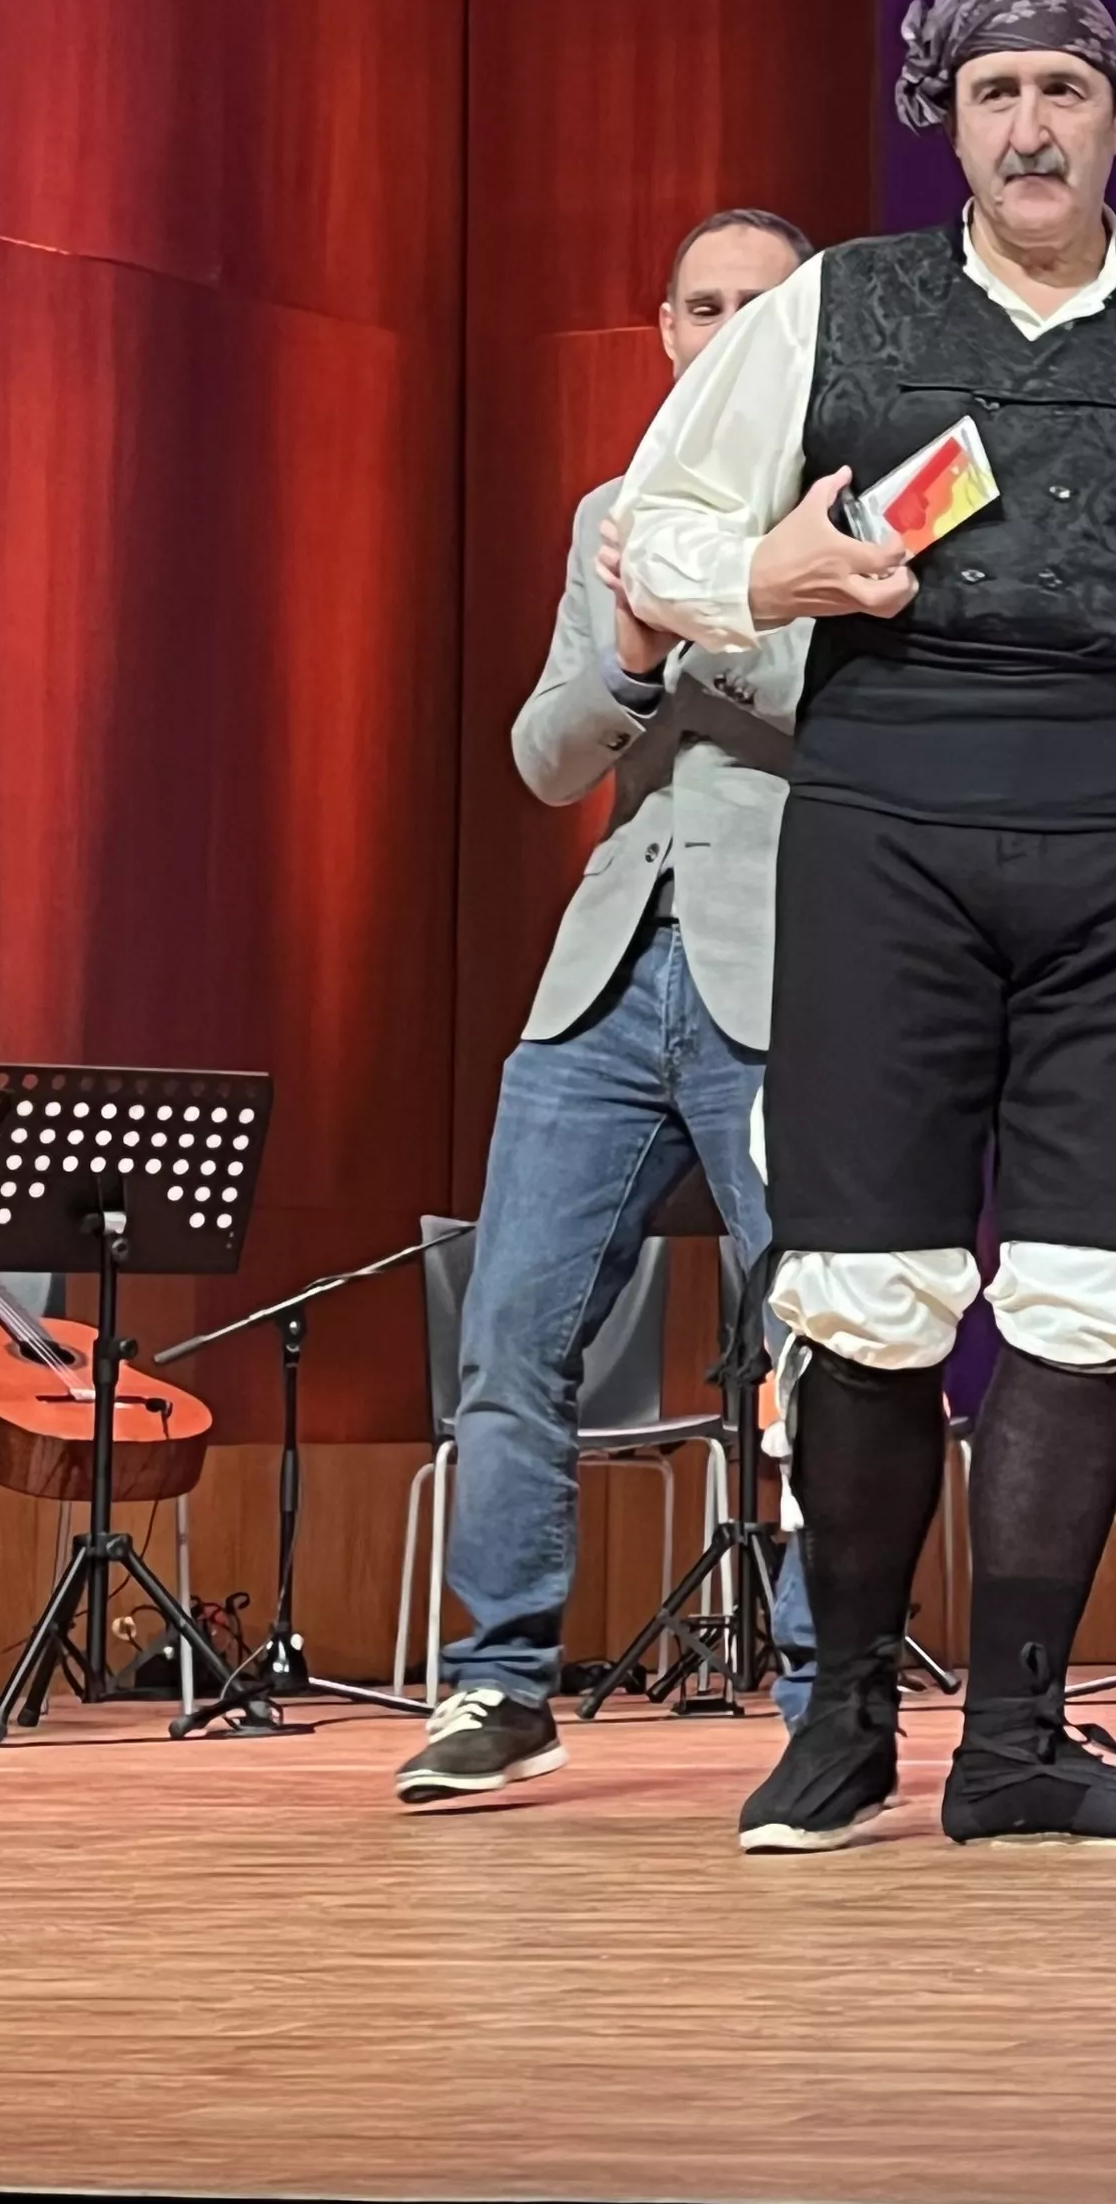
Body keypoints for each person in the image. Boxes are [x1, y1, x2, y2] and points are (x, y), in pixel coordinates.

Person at [619, 0, 1116, 1854]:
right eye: (995, 94)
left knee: (1089, 1286)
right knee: (870, 1285)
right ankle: (838, 1724)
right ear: (950, 127)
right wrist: (775, 578)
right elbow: (653, 527)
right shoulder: (833, 307)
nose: (1031, 124)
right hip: (885, 827)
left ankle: (1022, 1743)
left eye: (1064, 90)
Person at [396, 208, 825, 1802]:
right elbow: (547, 754)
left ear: (807, 334)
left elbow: (833, 716)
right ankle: (498, 1686)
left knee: (824, 1342)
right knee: (512, 1328)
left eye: (759, 307)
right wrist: (632, 649)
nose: (724, 329)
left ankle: (818, 1683)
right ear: (663, 331)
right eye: (701, 305)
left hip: (787, 963)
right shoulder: (612, 511)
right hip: (609, 964)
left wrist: (717, 598)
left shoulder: (863, 515)